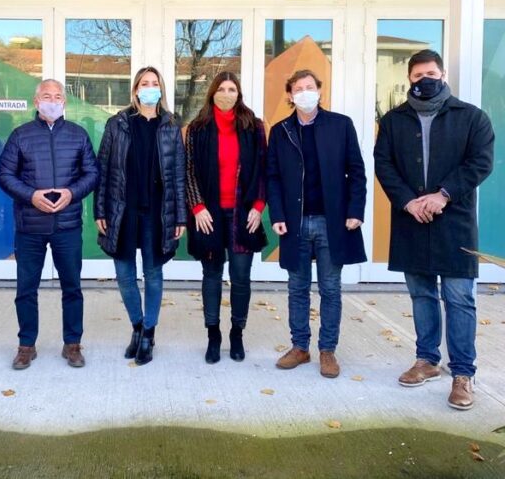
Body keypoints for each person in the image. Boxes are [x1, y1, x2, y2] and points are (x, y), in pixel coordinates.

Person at [374, 49, 494, 410]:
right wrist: (409, 201)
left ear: (442, 75)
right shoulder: (394, 120)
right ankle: (426, 359)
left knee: (459, 298)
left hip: (453, 220)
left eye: (431, 73)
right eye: (417, 75)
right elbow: (384, 164)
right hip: (412, 219)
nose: (424, 79)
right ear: (408, 80)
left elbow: (481, 162)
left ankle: (462, 373)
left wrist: (443, 195)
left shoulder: (472, 117)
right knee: (422, 294)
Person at [267, 69, 366, 379]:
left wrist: (355, 210)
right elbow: (272, 177)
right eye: (299, 88)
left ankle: (327, 351)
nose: (305, 92)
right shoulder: (281, 131)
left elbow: (357, 171)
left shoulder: (341, 125)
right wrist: (278, 215)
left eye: (310, 87)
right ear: (290, 95)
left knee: (330, 289)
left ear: (320, 91)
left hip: (331, 221)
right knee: (297, 288)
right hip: (294, 223)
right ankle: (300, 347)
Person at [0, 79, 98, 370]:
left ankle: (73, 344)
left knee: (72, 287)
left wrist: (71, 193)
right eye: (46, 96)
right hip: (30, 226)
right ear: (35, 100)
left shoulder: (78, 136)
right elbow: (5, 174)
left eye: (57, 96)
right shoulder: (20, 135)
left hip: (67, 225)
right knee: (26, 289)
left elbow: (91, 173)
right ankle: (26, 345)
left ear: (64, 102)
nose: (51, 101)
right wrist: (31, 196)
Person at [94, 67, 187, 365]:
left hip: (157, 213)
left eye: (154, 84)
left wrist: (180, 217)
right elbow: (104, 169)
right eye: (144, 84)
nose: (150, 88)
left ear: (161, 89)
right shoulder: (118, 124)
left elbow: (179, 175)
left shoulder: (171, 125)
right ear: (135, 90)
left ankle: (149, 332)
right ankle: (136, 325)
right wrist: (100, 209)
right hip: (122, 209)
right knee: (124, 275)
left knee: (153, 274)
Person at [185, 72, 267, 364]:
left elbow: (261, 168)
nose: (227, 93)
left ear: (239, 93)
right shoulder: (198, 128)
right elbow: (189, 170)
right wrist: (197, 207)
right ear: (212, 93)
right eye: (222, 88)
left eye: (232, 89)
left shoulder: (253, 126)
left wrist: (258, 206)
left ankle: (236, 333)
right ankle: (213, 335)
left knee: (241, 277)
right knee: (211, 276)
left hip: (243, 213)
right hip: (209, 213)